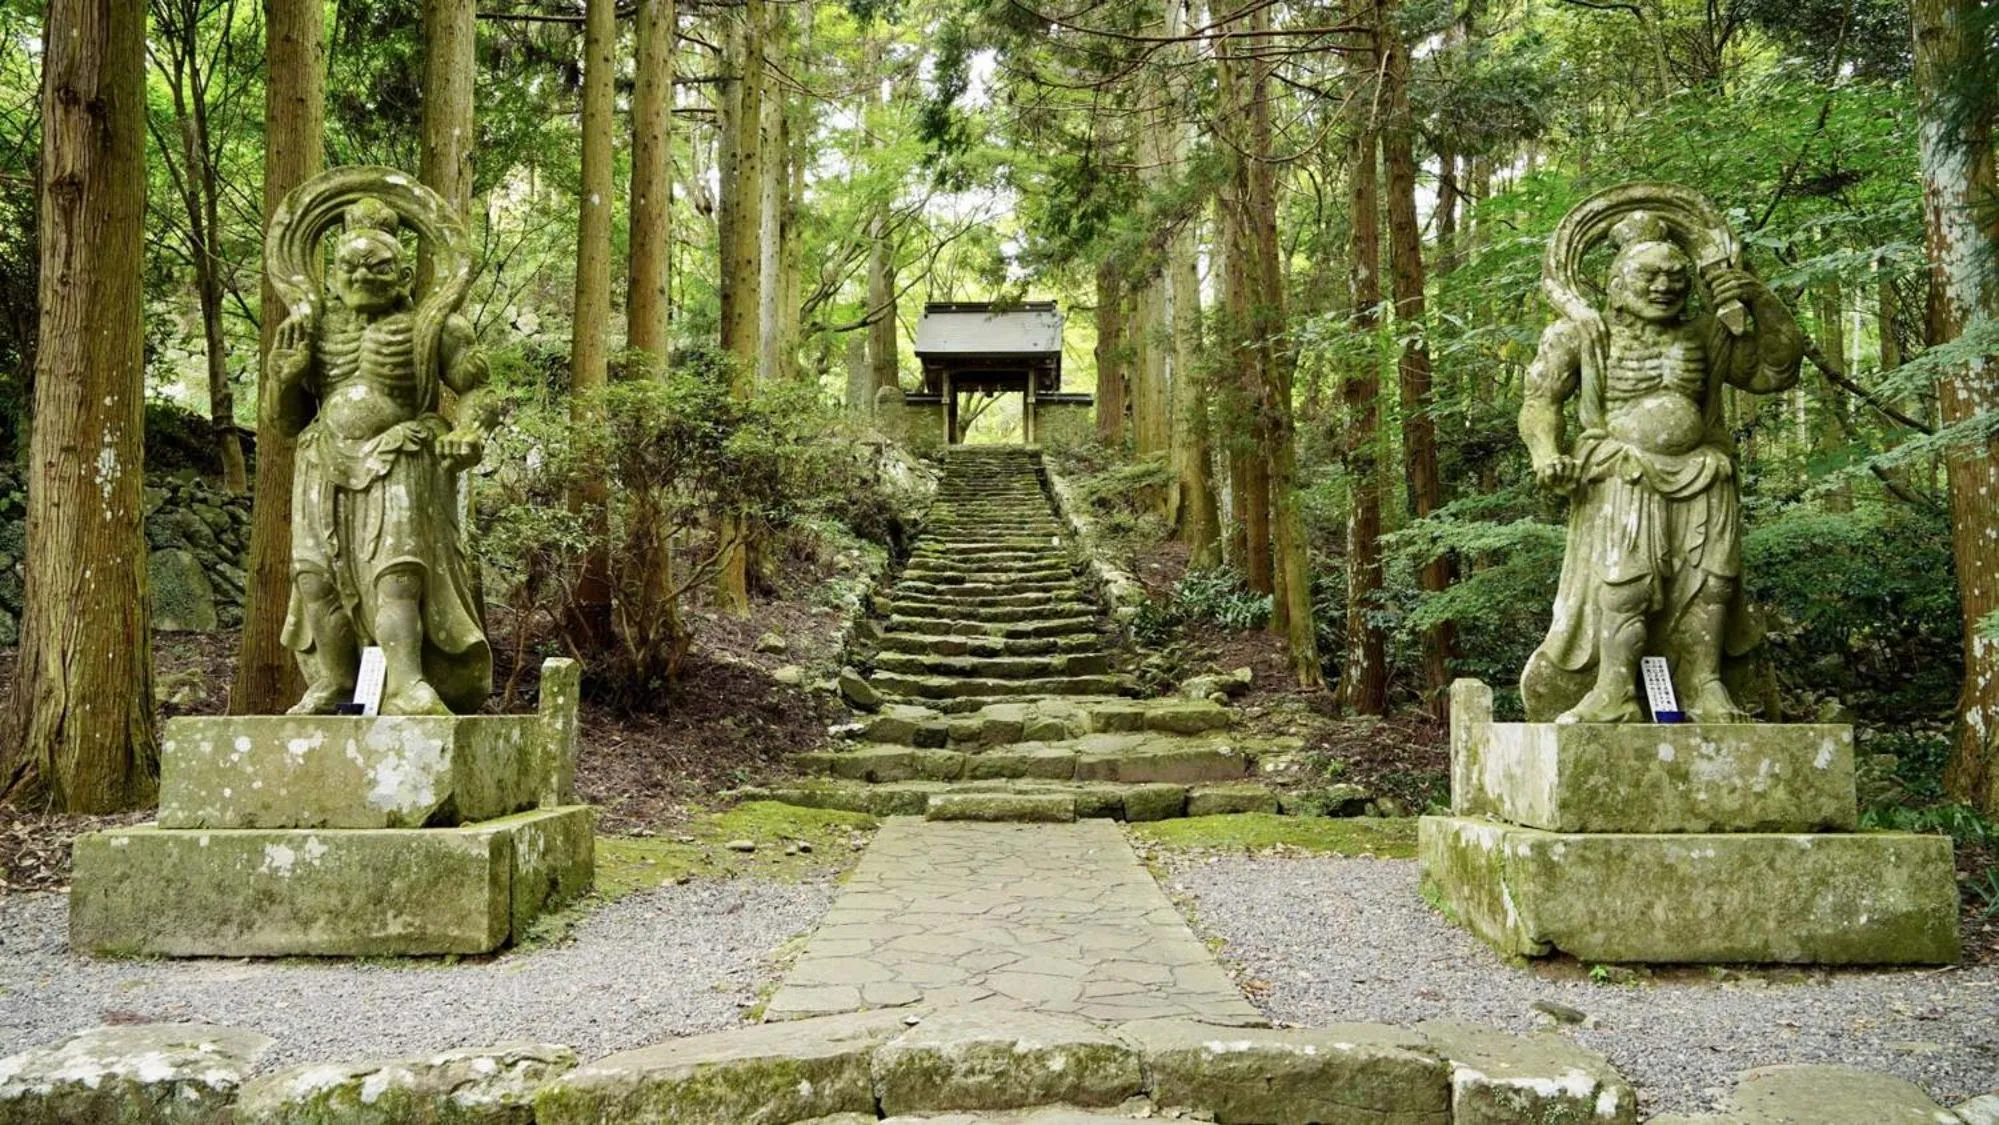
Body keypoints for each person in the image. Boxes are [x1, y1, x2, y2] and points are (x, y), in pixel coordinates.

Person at [1519, 211, 1803, 723]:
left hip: (1703, 471)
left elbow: (1775, 370)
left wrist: (1759, 297)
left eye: (1675, 277)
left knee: (1714, 581)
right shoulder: (1584, 334)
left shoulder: (1706, 335)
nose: (1663, 287)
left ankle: (1704, 685)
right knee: (1627, 582)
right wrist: (1547, 454)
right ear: (1617, 284)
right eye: (1648, 277)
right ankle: (1613, 689)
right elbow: (1540, 400)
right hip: (1622, 469)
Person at [265, 197, 494, 715]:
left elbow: (479, 388)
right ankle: (334, 682)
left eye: (378, 266)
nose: (361, 275)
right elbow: (284, 422)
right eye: (348, 265)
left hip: (397, 458)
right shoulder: (313, 329)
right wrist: (284, 378)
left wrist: (469, 430)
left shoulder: (434, 326)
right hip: (322, 460)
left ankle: (407, 683)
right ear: (331, 271)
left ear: (405, 273)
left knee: (397, 575)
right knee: (315, 577)